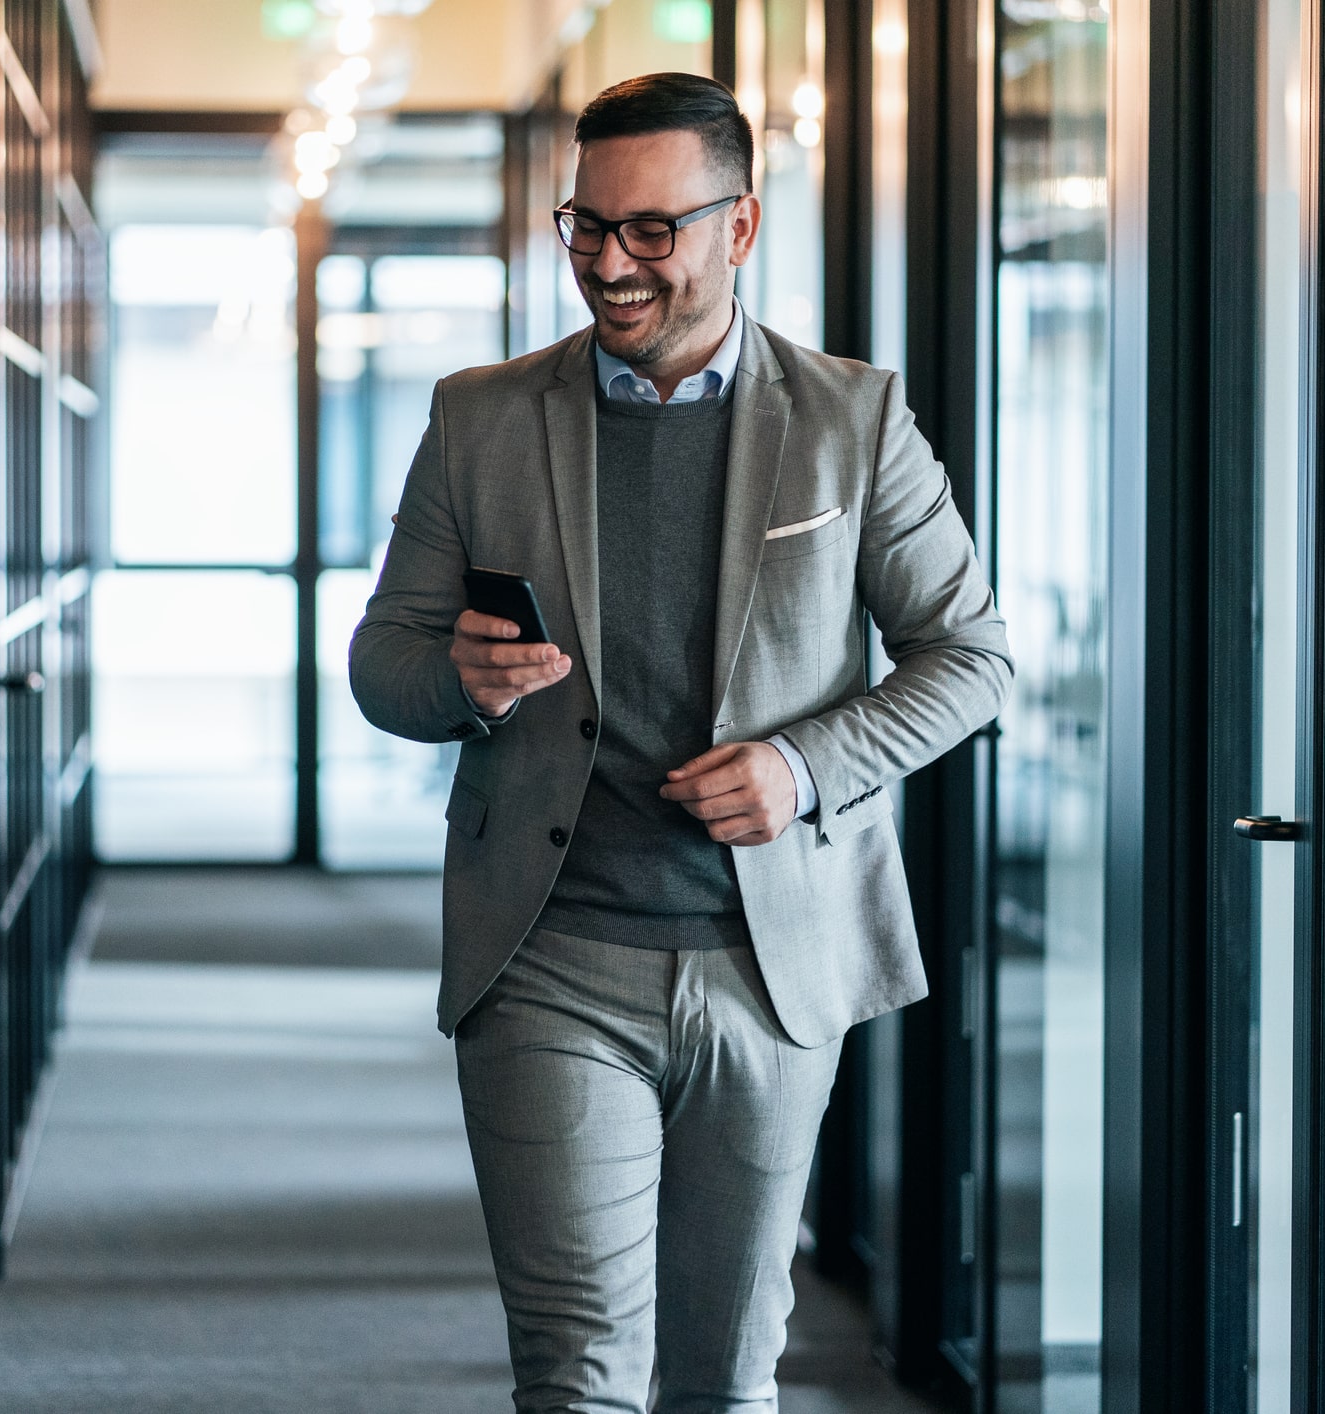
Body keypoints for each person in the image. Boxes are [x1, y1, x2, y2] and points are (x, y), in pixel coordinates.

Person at [349, 71, 1012, 1414]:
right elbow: (383, 665)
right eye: (586, 227)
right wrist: (461, 682)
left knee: (721, 1374)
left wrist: (804, 763)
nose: (610, 262)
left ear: (739, 227)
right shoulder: (481, 418)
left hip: (767, 966)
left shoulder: (849, 421)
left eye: (650, 229)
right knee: (580, 1370)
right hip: (549, 954)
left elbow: (973, 659)